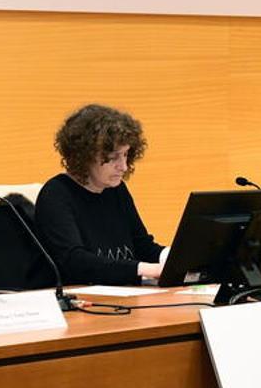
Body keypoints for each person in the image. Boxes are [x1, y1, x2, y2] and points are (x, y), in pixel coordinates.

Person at [34, 104, 165, 286]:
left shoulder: (116, 190)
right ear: (85, 155)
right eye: (114, 157)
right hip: (81, 300)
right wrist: (143, 269)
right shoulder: (56, 194)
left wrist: (173, 257)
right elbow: (75, 262)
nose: (124, 166)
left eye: (126, 155)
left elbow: (141, 245)